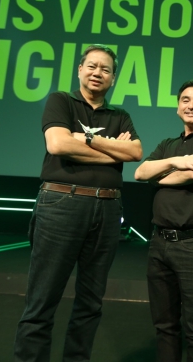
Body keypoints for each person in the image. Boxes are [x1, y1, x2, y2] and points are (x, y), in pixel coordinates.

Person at [14, 44, 143, 362]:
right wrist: (111, 150)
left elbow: (136, 152)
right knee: (42, 300)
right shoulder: (60, 100)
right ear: (80, 69)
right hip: (62, 203)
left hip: (108, 210)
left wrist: (84, 138)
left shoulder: (120, 115)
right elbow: (58, 144)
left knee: (91, 303)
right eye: (92, 66)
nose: (98, 73)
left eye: (106, 69)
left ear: (113, 78)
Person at [134, 79, 193, 362]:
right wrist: (176, 161)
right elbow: (140, 173)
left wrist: (158, 178)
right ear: (177, 108)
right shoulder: (168, 144)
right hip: (159, 243)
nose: (191, 105)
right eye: (185, 100)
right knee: (164, 326)